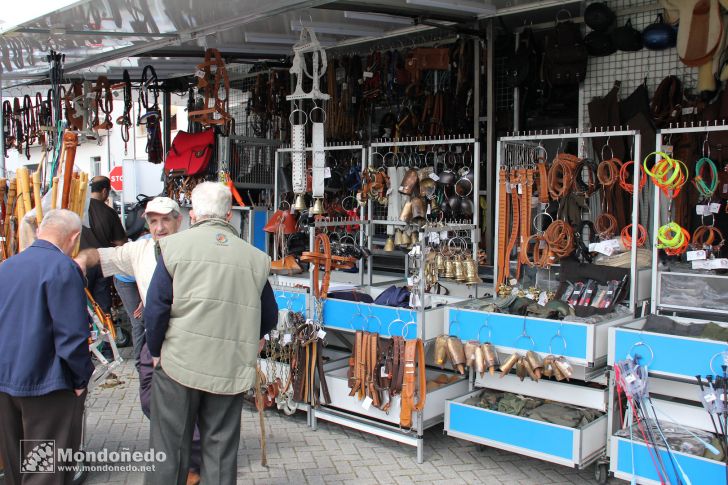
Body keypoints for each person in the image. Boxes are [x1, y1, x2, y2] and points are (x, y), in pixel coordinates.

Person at [144, 182, 277, 485]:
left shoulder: (172, 248)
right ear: (229, 216)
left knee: (169, 449)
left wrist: (155, 351)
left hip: (178, 363)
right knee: (219, 451)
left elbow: (155, 309)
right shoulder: (255, 258)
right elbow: (269, 316)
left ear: (192, 215)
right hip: (229, 366)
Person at [0, 209, 95, 485]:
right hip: (48, 384)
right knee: (45, 470)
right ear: (74, 238)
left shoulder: (6, 266)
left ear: (40, 230)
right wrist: (80, 378)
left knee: (16, 469)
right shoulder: (63, 268)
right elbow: (72, 334)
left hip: (6, 381)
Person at [81, 176, 127, 314]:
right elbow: (121, 243)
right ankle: (106, 332)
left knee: (83, 303)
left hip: (81, 262)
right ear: (105, 191)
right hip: (102, 263)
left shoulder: (77, 208)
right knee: (102, 304)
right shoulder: (109, 212)